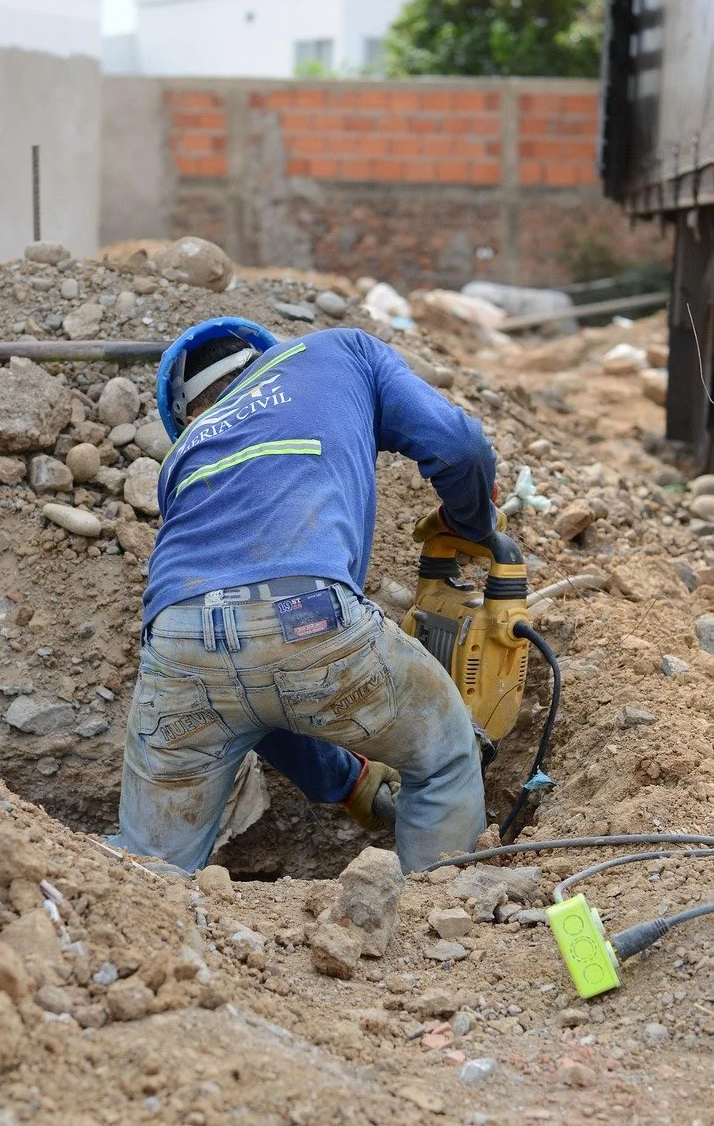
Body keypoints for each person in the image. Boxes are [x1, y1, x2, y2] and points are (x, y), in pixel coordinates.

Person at [110, 317, 496, 873]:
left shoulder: (182, 459)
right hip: (310, 615)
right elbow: (460, 447)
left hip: (177, 642)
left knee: (147, 873)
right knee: (445, 759)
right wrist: (470, 521)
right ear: (268, 356)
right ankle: (439, 929)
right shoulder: (342, 352)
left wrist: (346, 783)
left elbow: (249, 690)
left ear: (190, 416)